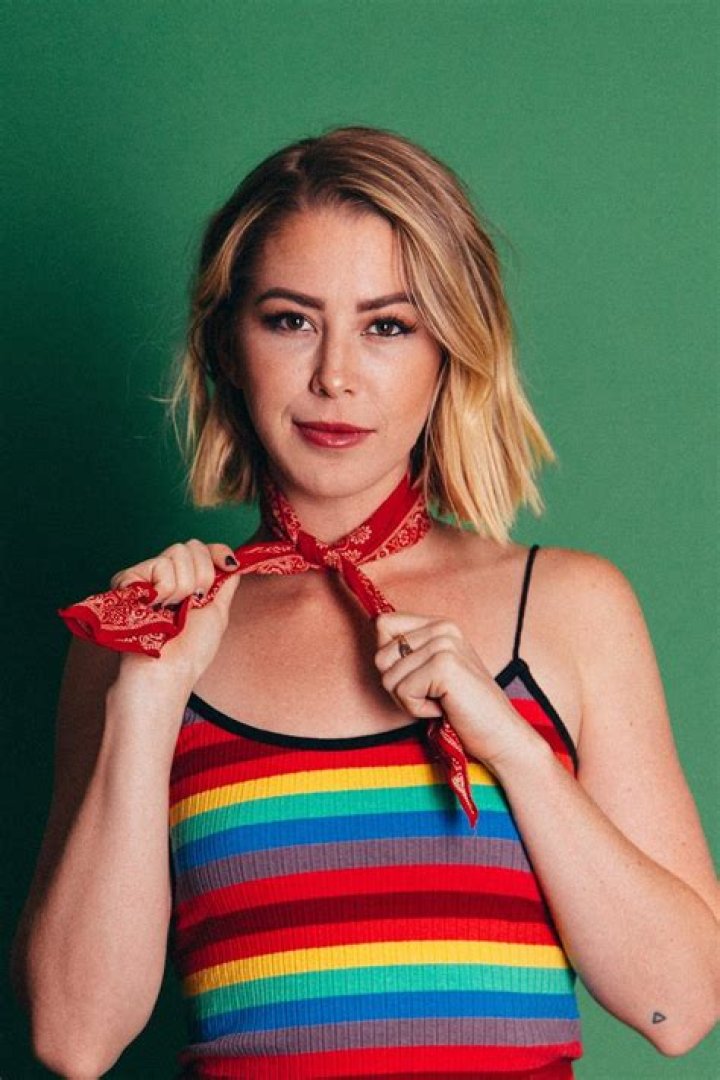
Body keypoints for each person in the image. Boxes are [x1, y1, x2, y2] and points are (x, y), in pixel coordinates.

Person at [13, 126, 718, 1079]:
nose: (335, 375)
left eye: (388, 326)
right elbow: (74, 1040)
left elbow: (679, 1005)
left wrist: (511, 746)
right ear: (227, 344)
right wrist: (146, 701)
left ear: (450, 351)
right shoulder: (136, 634)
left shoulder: (568, 608)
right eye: (290, 320)